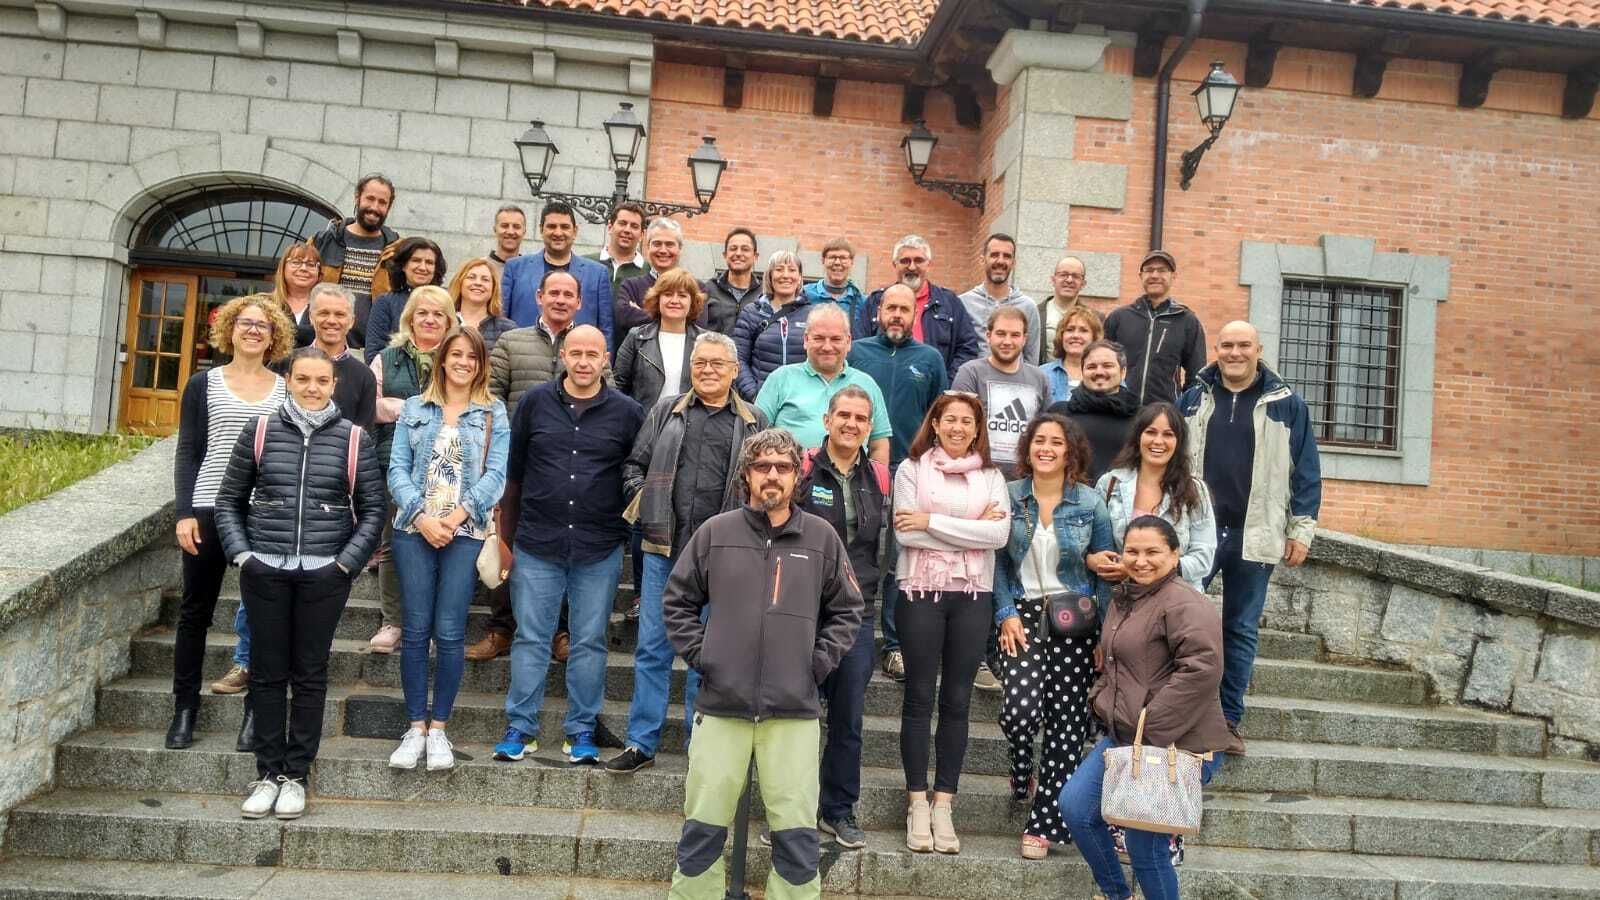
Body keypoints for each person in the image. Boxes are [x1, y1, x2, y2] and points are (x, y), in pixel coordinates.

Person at [663, 428, 863, 899]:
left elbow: (849, 609)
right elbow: (677, 601)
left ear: (797, 476)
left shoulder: (821, 538)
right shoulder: (716, 532)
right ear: (747, 475)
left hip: (792, 711)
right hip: (721, 707)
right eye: (762, 466)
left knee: (796, 838)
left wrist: (816, 664)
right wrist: (704, 655)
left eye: (783, 467)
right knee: (702, 831)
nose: (772, 475)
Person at [213, 346, 385, 820]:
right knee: (267, 675)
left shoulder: (354, 439)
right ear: (289, 379)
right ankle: (267, 773)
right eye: (304, 379)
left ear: (334, 385)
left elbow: (373, 511)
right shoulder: (261, 429)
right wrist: (244, 556)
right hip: (265, 571)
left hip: (324, 575)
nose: (313, 388)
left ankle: (296, 776)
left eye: (322, 381)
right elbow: (229, 500)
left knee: (309, 675)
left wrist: (344, 565)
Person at [606, 332, 769, 774]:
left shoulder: (755, 421)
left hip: (726, 559)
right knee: (653, 649)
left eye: (719, 363)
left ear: (736, 371)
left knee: (710, 655)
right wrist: (645, 501)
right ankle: (642, 743)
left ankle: (702, 744)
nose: (709, 370)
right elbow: (634, 464)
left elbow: (767, 484)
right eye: (701, 363)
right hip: (663, 549)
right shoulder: (666, 410)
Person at [1058, 516, 1243, 900]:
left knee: (1147, 847)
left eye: (1153, 552)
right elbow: (1115, 664)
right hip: (1129, 736)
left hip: (1178, 743)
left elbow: (1202, 670)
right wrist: (1101, 700)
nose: (1141, 560)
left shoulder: (1186, 602)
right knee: (1075, 807)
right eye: (1133, 551)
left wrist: (1148, 722)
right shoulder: (1126, 598)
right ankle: (1117, 894)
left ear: (1175, 555)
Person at [493, 326, 644, 765]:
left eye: (591, 354)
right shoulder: (534, 403)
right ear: (562, 355)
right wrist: (506, 539)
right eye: (574, 352)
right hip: (538, 542)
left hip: (598, 545)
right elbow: (514, 475)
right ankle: (520, 727)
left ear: (605, 359)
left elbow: (635, 475)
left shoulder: (628, 413)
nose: (582, 361)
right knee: (532, 638)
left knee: (590, 641)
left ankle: (581, 730)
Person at [1179, 321, 1321, 730]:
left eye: (1243, 345)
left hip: (1254, 532)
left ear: (1259, 349)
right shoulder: (1192, 399)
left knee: (1239, 629)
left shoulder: (1287, 405)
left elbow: (1307, 472)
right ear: (1217, 350)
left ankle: (1227, 720)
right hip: (1197, 532)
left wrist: (1301, 530)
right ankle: (1181, 711)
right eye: (1227, 345)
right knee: (1182, 622)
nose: (1234, 353)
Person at [169, 295, 291, 753]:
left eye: (263, 325)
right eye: (246, 323)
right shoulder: (204, 383)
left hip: (262, 513)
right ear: (230, 330)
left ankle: (255, 713)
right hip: (206, 508)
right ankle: (184, 710)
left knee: (263, 615)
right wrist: (184, 511)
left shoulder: (284, 389)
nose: (254, 330)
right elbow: (188, 451)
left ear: (274, 334)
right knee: (194, 612)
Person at [991, 413, 1114, 859]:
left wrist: (1102, 633)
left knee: (1067, 725)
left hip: (1075, 619)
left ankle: (1043, 825)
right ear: (1028, 448)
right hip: (1020, 615)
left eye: (1056, 442)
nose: (1046, 448)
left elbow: (1103, 566)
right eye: (1039, 440)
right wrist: (1004, 612)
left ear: (1070, 451)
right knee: (1019, 710)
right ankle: (1022, 767)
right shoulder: (1009, 495)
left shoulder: (1089, 502)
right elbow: (999, 562)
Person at [386, 328, 509, 772]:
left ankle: (440, 729)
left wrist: (455, 519)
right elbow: (397, 468)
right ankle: (415, 727)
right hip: (413, 530)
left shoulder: (493, 413)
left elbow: (496, 475)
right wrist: (421, 516)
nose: (462, 362)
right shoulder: (415, 410)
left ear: (480, 364)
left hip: (465, 533)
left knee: (451, 631)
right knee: (416, 630)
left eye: (470, 357)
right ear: (441, 360)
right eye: (454, 354)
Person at [893, 392, 1009, 854]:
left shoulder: (992, 475)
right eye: (950, 420)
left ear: (977, 428)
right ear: (935, 424)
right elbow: (905, 532)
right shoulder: (910, 470)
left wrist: (932, 519)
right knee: (920, 698)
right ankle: (917, 802)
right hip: (919, 593)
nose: (958, 428)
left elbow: (997, 535)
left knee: (958, 701)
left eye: (968, 421)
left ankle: (944, 803)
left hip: (973, 596)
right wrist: (970, 524)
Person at [796, 386, 891, 850]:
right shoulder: (802, 467)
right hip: (802, 610)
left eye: (861, 418)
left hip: (855, 613)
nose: (852, 424)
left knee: (848, 717)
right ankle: (793, 807)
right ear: (828, 419)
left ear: (870, 427)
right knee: (796, 713)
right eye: (844, 416)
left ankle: (837, 810)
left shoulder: (879, 476)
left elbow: (880, 546)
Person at [845, 282, 947, 683]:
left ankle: (891, 645)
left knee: (897, 561)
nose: (897, 315)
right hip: (857, 473)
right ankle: (847, 636)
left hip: (909, 474)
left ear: (915, 314)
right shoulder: (857, 352)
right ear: (878, 311)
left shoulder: (930, 359)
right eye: (891, 308)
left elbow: (938, 417)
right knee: (857, 554)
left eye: (905, 309)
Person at [366, 286, 454, 653]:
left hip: (447, 464)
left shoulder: (458, 356)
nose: (430, 320)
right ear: (410, 318)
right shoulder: (386, 358)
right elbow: (369, 406)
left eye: (438, 314)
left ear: (449, 321)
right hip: (393, 462)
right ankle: (393, 621)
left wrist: (404, 406)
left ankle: (430, 624)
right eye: (423, 313)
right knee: (392, 543)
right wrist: (410, 409)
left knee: (441, 546)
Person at [1093, 401, 1217, 593]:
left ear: (1179, 442)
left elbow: (1203, 558)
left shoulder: (1194, 490)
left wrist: (1140, 569)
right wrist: (1093, 560)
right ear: (1138, 437)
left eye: (1168, 434)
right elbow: (1091, 545)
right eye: (1151, 432)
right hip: (1122, 601)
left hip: (1176, 601)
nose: (1158, 441)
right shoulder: (1110, 484)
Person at [754, 303, 890, 462]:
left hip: (850, 483)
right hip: (791, 482)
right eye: (819, 338)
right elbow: (755, 435)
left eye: (835, 339)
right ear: (805, 340)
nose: (827, 347)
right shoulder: (780, 379)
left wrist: (875, 483)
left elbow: (879, 444)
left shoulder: (867, 385)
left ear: (848, 341)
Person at [857, 235, 978, 382]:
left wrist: (945, 382)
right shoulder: (875, 300)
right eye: (905, 261)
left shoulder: (950, 303)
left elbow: (967, 348)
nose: (912, 266)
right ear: (894, 265)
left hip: (932, 393)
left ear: (929, 264)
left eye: (919, 260)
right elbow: (860, 346)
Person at [951, 306, 1051, 474]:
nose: (1007, 341)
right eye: (1001, 334)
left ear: (1025, 339)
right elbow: (957, 427)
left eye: (1015, 335)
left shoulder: (1039, 378)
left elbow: (1047, 430)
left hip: (1025, 480)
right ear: (988, 336)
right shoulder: (970, 373)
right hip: (978, 476)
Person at [502, 201, 614, 349]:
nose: (558, 232)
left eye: (565, 227)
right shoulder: (515, 268)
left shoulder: (597, 274)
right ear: (541, 229)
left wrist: (604, 370)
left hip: (576, 363)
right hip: (522, 360)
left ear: (575, 231)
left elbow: (606, 331)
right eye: (551, 226)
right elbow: (501, 321)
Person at [1103, 250, 1205, 406]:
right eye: (1149, 270)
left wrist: (1182, 407)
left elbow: (1196, 375)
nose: (1155, 275)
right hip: (1120, 410)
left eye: (1162, 270)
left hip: (1164, 413)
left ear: (1173, 276)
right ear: (1140, 276)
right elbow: (1102, 363)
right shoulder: (1119, 318)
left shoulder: (1187, 321)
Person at [311, 173, 400, 347]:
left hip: (375, 350)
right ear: (357, 198)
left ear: (389, 207)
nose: (375, 207)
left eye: (382, 202)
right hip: (323, 345)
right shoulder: (322, 242)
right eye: (370, 199)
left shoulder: (397, 251)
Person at [614, 267, 707, 409]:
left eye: (682, 295)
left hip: (690, 426)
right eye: (668, 294)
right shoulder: (637, 338)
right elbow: (617, 386)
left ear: (692, 302)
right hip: (643, 424)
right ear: (657, 299)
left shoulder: (706, 342)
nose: (674, 301)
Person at [1048, 339, 1139, 481]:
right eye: (1091, 367)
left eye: (1107, 366)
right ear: (1082, 372)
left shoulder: (1142, 418)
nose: (1099, 372)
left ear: (1123, 372)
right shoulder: (1059, 414)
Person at [732, 250, 813, 400]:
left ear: (800, 277)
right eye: (779, 269)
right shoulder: (751, 313)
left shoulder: (813, 315)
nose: (786, 275)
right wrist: (754, 395)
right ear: (770, 276)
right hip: (760, 400)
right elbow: (738, 359)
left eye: (792, 270)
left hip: (801, 402)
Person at [300, 284, 376, 431]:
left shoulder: (364, 376)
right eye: (323, 313)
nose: (331, 321)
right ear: (310, 317)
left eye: (340, 314)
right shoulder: (285, 364)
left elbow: (363, 437)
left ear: (352, 321)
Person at [958, 234, 1041, 365]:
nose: (1000, 261)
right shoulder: (963, 303)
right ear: (982, 260)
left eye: (1007, 256)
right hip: (974, 382)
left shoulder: (1028, 306)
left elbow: (1031, 358)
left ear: (1013, 263)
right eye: (994, 255)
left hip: (1014, 383)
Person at [616, 217, 699, 345]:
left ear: (680, 249)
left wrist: (642, 313)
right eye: (657, 244)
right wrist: (676, 318)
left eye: (670, 244)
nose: (663, 250)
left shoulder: (697, 288)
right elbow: (625, 319)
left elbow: (697, 326)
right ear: (647, 247)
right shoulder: (630, 286)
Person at [362, 236, 445, 362]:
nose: (423, 267)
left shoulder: (445, 302)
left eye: (429, 262)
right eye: (416, 260)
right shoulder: (385, 302)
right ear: (403, 265)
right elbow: (373, 353)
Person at [449, 257, 519, 354]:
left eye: (485, 279)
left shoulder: (508, 329)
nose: (478, 283)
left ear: (493, 288)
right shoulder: (444, 323)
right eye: (471, 277)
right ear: (460, 283)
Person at [1041, 304, 1104, 403]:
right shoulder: (1042, 374)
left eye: (1083, 330)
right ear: (1061, 336)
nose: (1075, 335)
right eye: (1070, 330)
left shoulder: (1107, 375)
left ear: (1094, 338)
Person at [702, 227, 760, 334]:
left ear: (755, 256)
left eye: (745, 249)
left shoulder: (764, 293)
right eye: (733, 248)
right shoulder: (708, 289)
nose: (738, 253)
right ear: (725, 255)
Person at [803, 237, 868, 331]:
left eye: (843, 258)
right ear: (823, 260)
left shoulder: (862, 302)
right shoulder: (805, 294)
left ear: (852, 262)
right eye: (832, 257)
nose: (837, 262)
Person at [586, 201, 647, 294]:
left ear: (642, 235)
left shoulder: (649, 272)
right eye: (622, 223)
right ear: (610, 227)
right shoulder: (585, 264)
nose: (627, 230)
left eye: (634, 226)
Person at [1037, 255, 1088, 362]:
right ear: (1053, 280)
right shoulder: (1035, 314)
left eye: (1075, 276)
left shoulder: (1096, 319)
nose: (1069, 280)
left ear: (1083, 284)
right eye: (1063, 274)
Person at [270, 242, 322, 347]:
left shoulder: (326, 307)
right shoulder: (265, 305)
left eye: (311, 264)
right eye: (296, 262)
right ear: (283, 267)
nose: (303, 268)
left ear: (319, 272)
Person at [485, 204, 526, 275]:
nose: (510, 232)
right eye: (504, 226)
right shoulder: (480, 268)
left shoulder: (530, 271)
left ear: (524, 232)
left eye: (516, 227)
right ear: (495, 229)